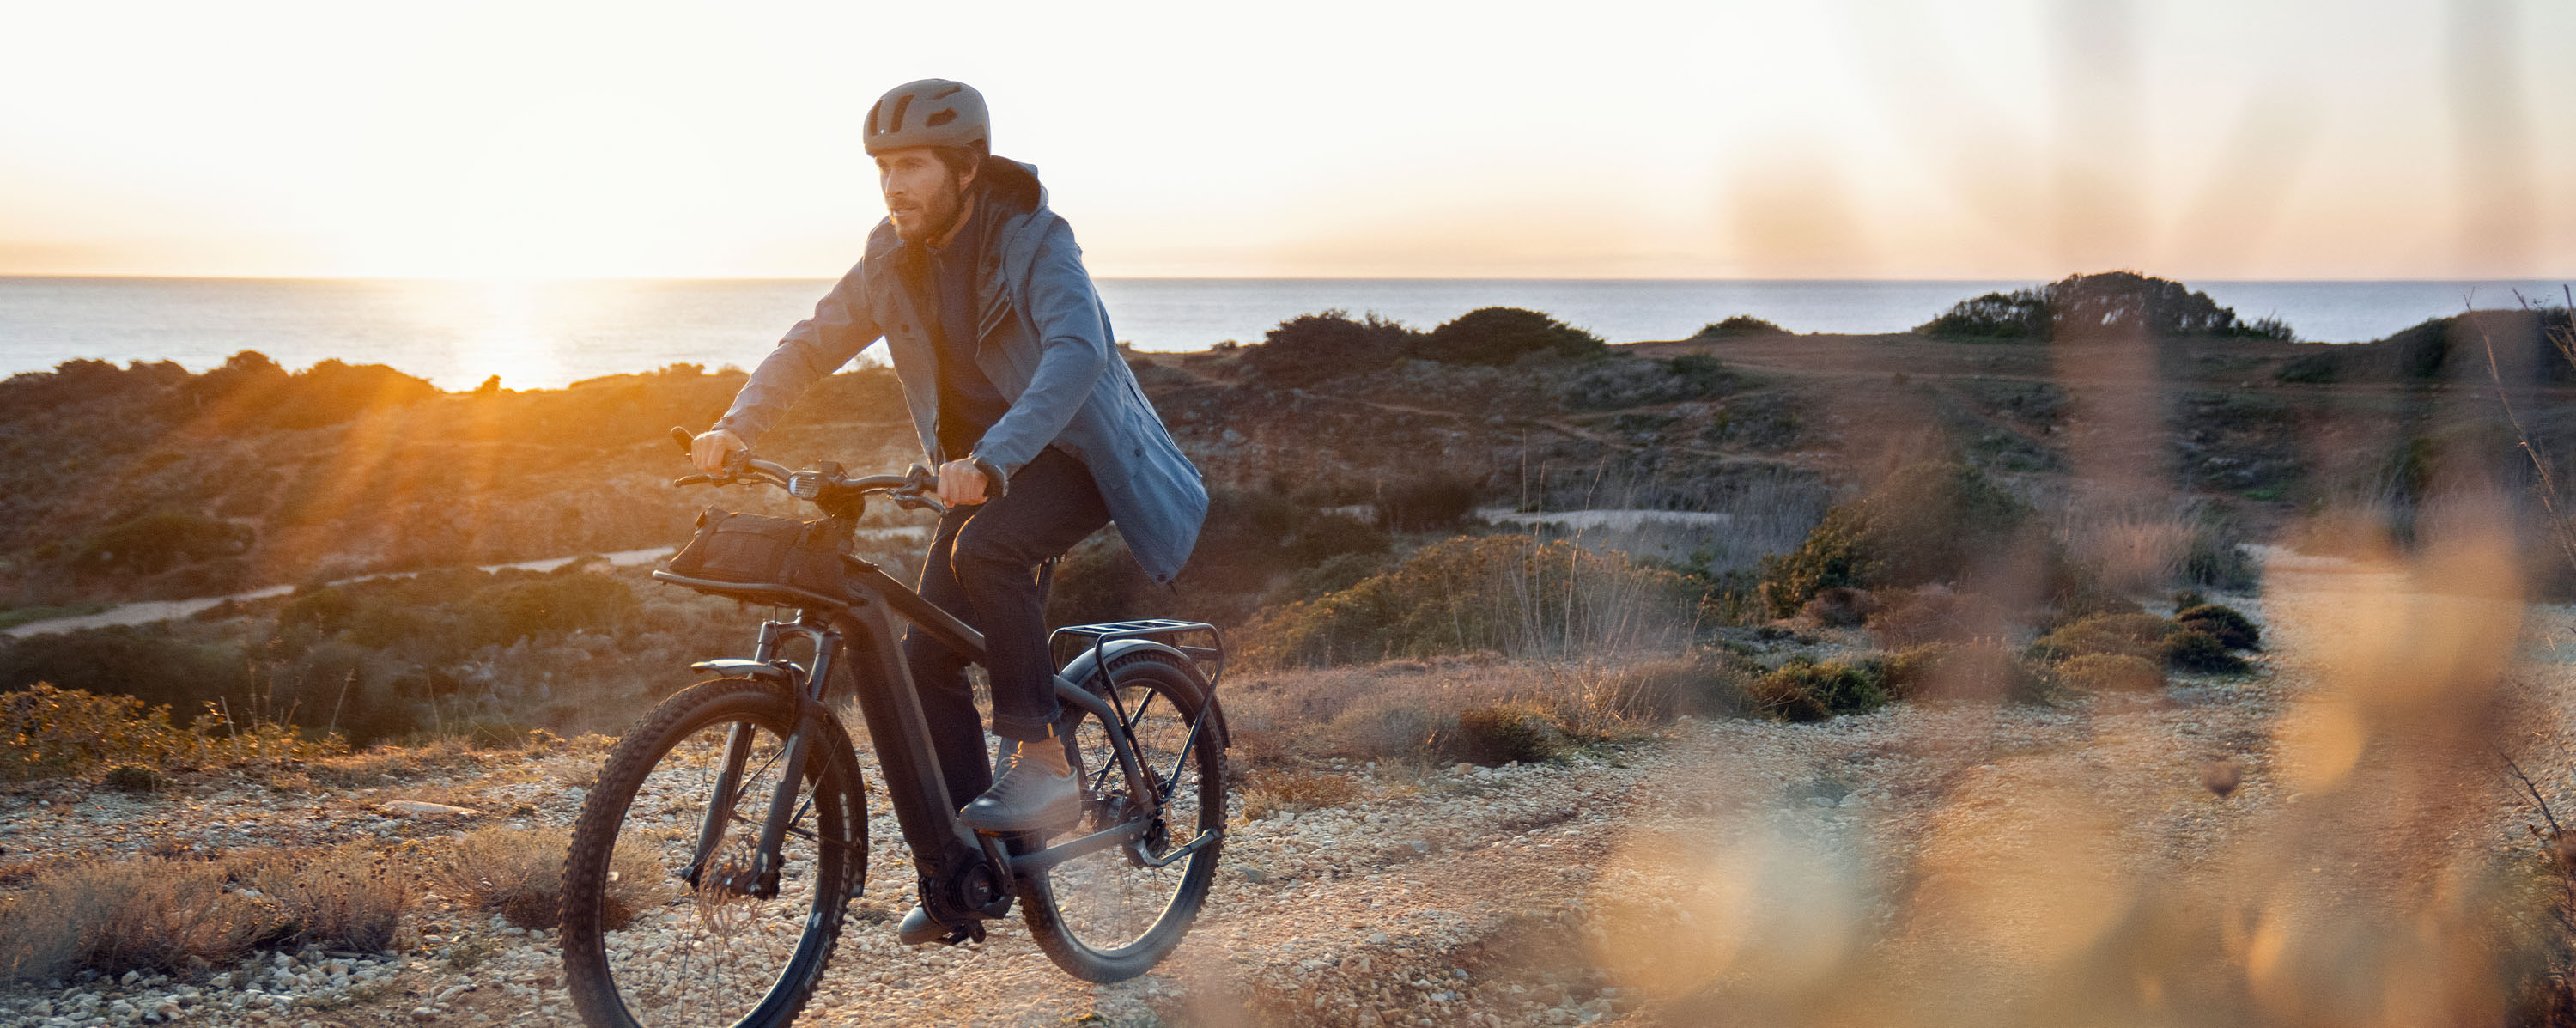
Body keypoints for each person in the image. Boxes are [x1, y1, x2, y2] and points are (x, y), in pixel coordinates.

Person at [690, 78, 1208, 943]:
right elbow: (814, 339)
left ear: (967, 167)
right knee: (924, 655)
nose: (895, 185)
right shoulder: (891, 254)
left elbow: (1079, 353)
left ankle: (1042, 762)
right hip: (976, 470)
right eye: (884, 168)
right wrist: (735, 425)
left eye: (914, 166)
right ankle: (968, 878)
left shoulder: (1037, 240)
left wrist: (996, 459)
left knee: (987, 554)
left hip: (1073, 455)